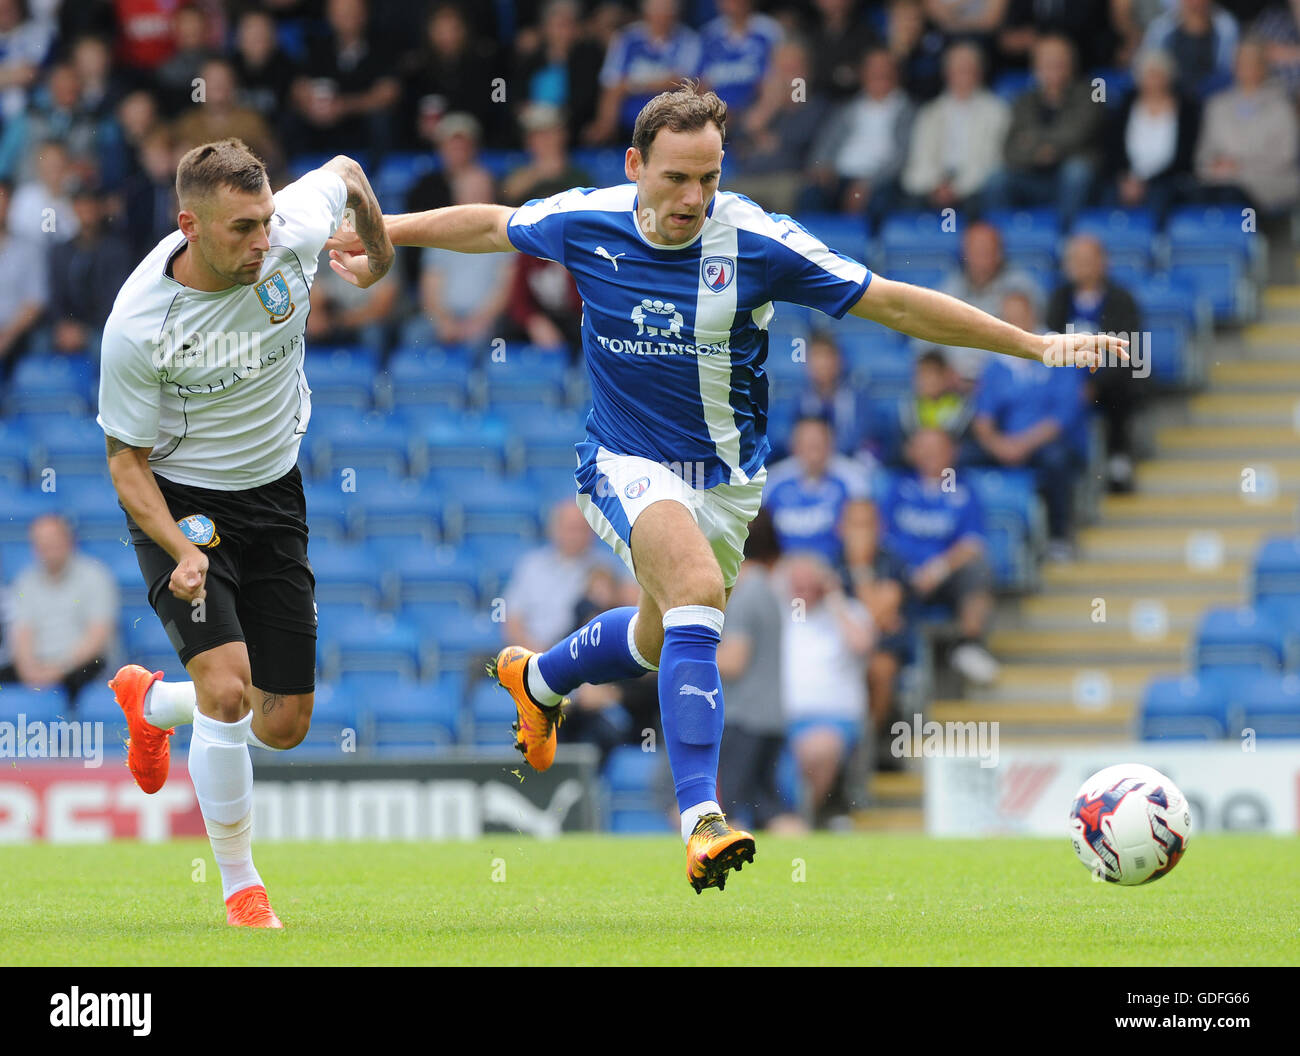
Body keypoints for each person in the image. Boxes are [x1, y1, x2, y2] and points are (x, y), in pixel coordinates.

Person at [326, 82, 1124, 894]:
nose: (694, 197)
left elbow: (889, 301)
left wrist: (1031, 344)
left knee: (654, 633)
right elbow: (494, 224)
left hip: (731, 484)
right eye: (676, 177)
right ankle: (702, 818)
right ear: (636, 165)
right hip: (623, 461)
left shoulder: (756, 242)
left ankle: (537, 679)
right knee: (700, 590)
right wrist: (381, 230)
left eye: (708, 177)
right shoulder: (588, 219)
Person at [97, 138, 393, 928]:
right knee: (228, 692)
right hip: (182, 502)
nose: (262, 241)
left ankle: (155, 705)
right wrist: (182, 548)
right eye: (241, 229)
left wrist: (382, 256)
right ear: (190, 226)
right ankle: (241, 887)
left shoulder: (291, 230)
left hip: (275, 496)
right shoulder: (137, 325)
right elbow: (124, 464)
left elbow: (349, 173)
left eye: (264, 221)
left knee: (284, 722)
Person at [876, 427, 1000, 685]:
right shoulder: (898, 488)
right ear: (912, 451)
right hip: (902, 574)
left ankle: (969, 645)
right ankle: (896, 659)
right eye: (924, 447)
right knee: (882, 576)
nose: (930, 454)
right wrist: (906, 570)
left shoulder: (965, 491)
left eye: (937, 447)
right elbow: (881, 536)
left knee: (978, 569)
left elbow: (973, 544)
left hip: (945, 577)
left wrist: (938, 569)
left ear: (952, 451)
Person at [972, 289, 1088, 557]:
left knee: (1055, 461)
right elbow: (983, 419)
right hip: (1006, 444)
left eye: (1019, 317)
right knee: (961, 460)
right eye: (1007, 318)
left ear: (1034, 315)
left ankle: (1059, 535)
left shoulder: (1059, 352)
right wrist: (998, 445)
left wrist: (1022, 444)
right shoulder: (995, 362)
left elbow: (1064, 415)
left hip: (1047, 442)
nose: (1014, 324)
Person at [715, 508, 800, 833]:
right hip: (769, 718)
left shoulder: (746, 592)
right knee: (769, 807)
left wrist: (683, 652)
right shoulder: (766, 589)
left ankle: (732, 879)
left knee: (730, 809)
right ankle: (808, 868)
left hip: (743, 718)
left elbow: (734, 662)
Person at [780, 549, 873, 829]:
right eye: (797, 585)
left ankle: (806, 817)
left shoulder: (850, 613)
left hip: (834, 719)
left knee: (818, 749)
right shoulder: (778, 614)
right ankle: (788, 819)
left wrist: (835, 598)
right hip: (780, 720)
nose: (804, 592)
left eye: (810, 585)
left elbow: (861, 645)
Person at [1046, 234, 1142, 491]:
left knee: (1125, 384)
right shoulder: (1059, 298)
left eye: (1089, 260)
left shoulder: (1122, 299)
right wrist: (1072, 381)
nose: (1083, 266)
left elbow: (1129, 349)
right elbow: (1050, 341)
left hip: (1110, 378)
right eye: (1077, 260)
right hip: (1068, 376)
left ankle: (1118, 457)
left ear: (1103, 262)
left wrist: (1093, 384)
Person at [986, 34, 1103, 225]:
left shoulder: (1092, 93)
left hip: (1068, 175)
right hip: (1032, 174)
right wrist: (1037, 154)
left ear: (1072, 64)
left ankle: (1066, 238)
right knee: (997, 180)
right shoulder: (1023, 100)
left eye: (1059, 62)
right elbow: (1010, 149)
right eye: (1047, 63)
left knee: (1076, 172)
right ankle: (1003, 238)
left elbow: (1078, 134)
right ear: (1036, 67)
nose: (1053, 69)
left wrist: (1034, 142)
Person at [0, 515, 118, 702]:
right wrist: (29, 670)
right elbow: (21, 632)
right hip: (38, 665)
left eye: (53, 541)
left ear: (69, 540)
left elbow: (98, 636)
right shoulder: (25, 582)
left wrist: (58, 669)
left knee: (83, 679)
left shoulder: (95, 576)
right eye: (42, 542)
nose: (48, 548)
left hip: (80, 666)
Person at [1193, 37, 1300, 214]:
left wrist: (1240, 167)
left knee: (1235, 197)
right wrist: (1217, 166)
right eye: (1241, 61)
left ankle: (1246, 236)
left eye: (1252, 61)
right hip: (1219, 180)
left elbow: (1285, 156)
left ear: (1263, 65)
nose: (1245, 67)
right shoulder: (1217, 105)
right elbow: (1203, 156)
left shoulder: (1281, 106)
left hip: (1267, 182)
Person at [901, 41, 1010, 215]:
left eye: (968, 69)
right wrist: (936, 185)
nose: (962, 75)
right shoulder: (930, 112)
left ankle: (963, 238)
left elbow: (992, 160)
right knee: (909, 206)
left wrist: (956, 188)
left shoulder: (996, 111)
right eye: (957, 69)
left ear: (979, 72)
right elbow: (920, 158)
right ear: (947, 73)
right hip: (934, 185)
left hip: (974, 186)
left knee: (977, 200)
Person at [764, 414, 876, 571]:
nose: (813, 451)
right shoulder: (773, 481)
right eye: (807, 444)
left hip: (836, 569)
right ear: (794, 446)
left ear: (831, 445)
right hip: (782, 570)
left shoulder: (852, 479)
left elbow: (864, 529)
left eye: (819, 443)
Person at [1104, 48, 1199, 224]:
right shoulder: (1125, 105)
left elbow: (1186, 153)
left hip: (1168, 179)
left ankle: (1156, 246)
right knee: (1109, 199)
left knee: (1158, 197)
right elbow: (1113, 146)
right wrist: (1126, 177)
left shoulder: (1187, 109)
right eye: (1148, 74)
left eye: (1158, 74)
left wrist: (1147, 181)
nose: (1153, 80)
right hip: (1127, 178)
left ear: (1169, 76)